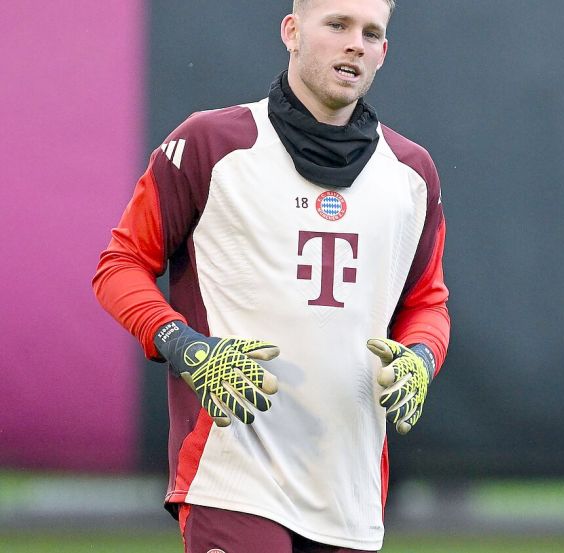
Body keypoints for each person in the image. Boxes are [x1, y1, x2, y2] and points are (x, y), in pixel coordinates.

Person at [92, 0, 450, 551]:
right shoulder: (212, 144)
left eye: (371, 32)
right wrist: (188, 348)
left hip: (349, 496)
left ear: (384, 52)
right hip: (232, 476)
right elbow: (120, 266)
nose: (355, 42)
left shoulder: (411, 173)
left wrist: (421, 359)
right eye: (337, 25)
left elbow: (427, 303)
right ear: (292, 31)